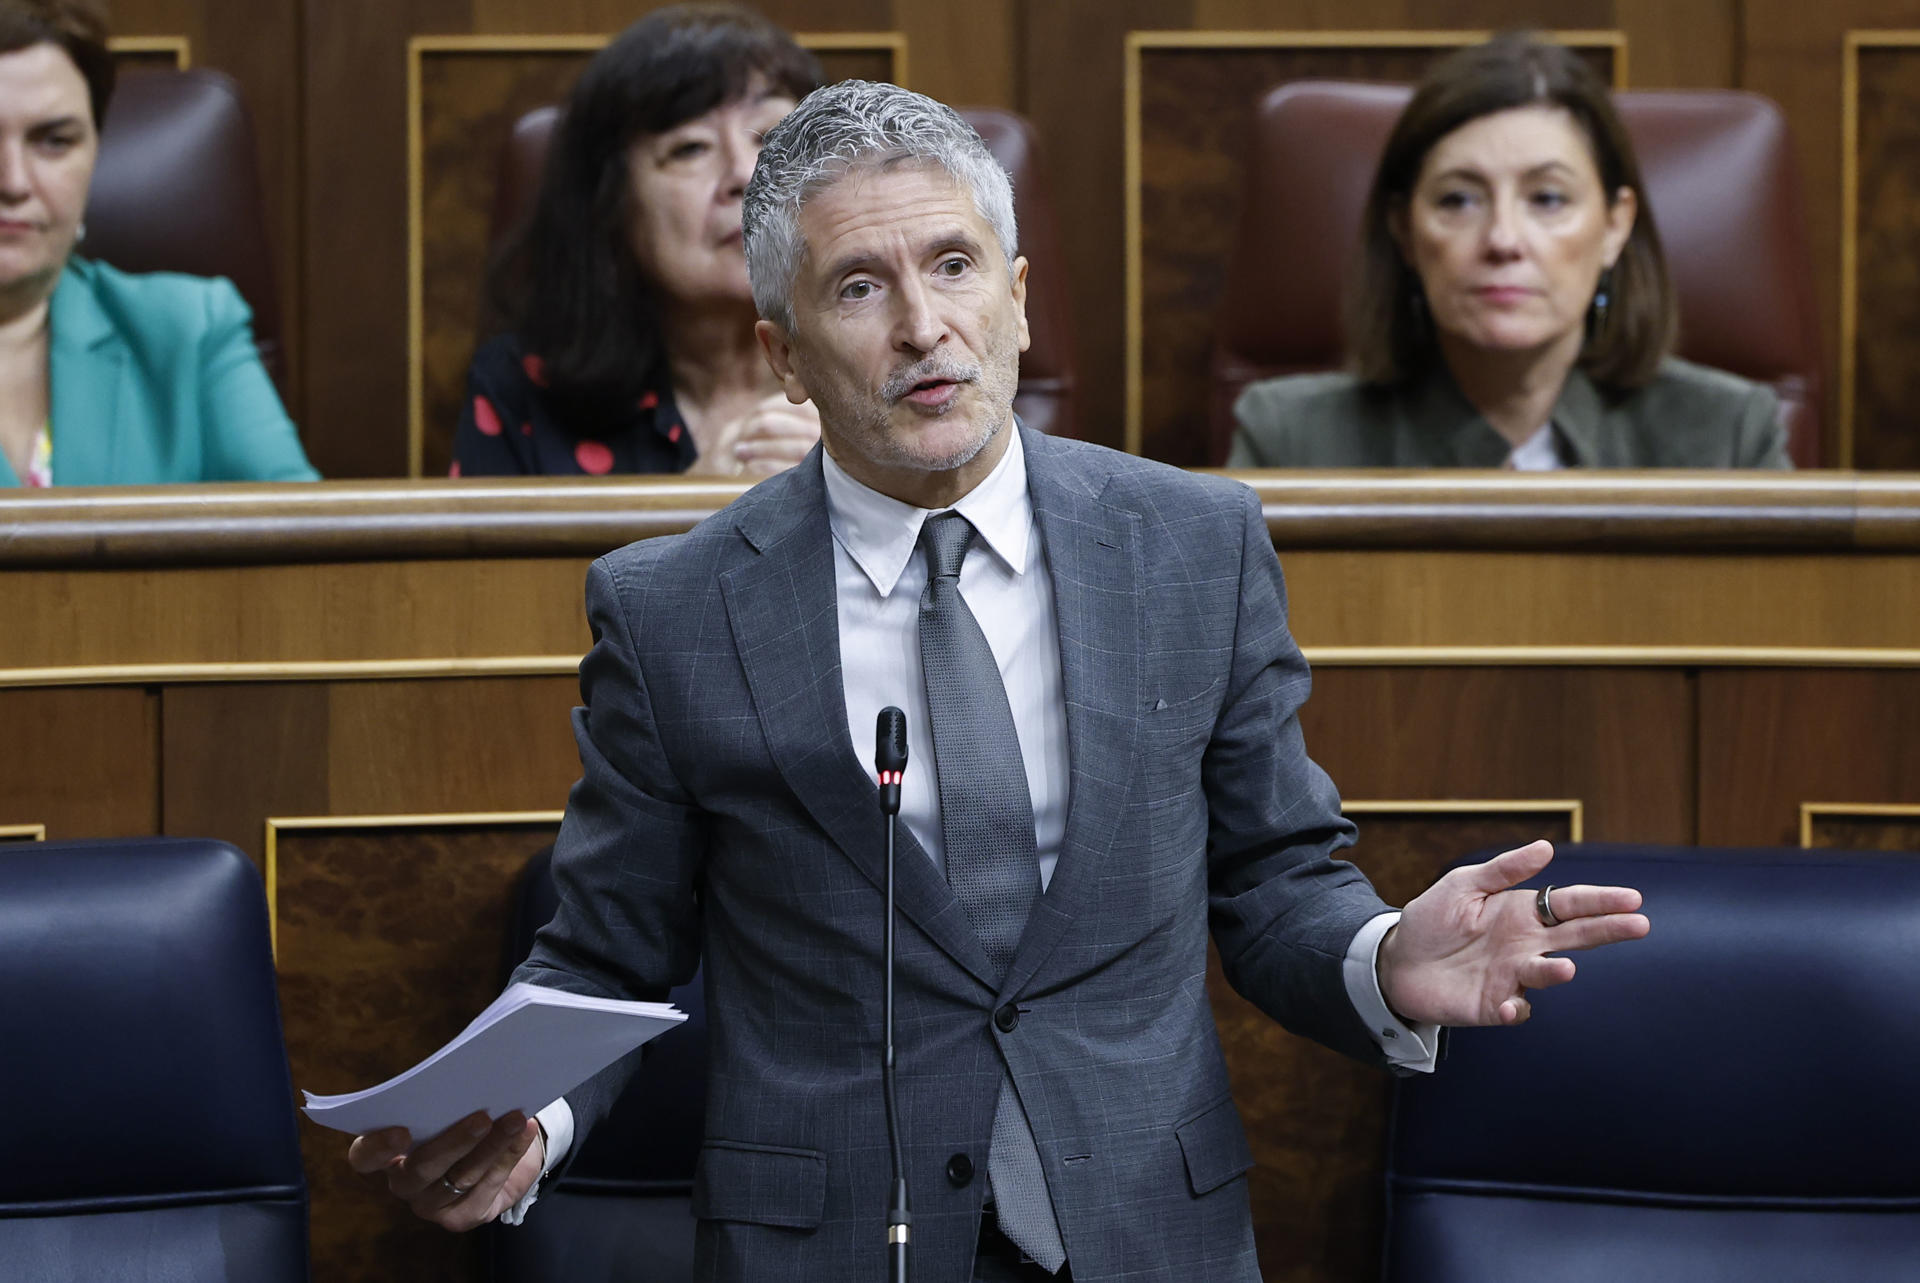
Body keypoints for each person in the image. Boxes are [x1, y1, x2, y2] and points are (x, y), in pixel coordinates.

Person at [351, 82, 1649, 1280]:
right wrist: (534, 1116)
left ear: (1019, 296)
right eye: (859, 287)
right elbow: (608, 948)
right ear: (785, 350)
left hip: (1147, 1225)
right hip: (831, 1241)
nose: (925, 326)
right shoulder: (677, 605)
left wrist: (1377, 955)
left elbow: (1273, 876)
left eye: (955, 266)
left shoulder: (1194, 543)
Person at [1229, 33, 1790, 471]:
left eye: (1546, 198)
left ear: (1615, 226)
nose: (1502, 240)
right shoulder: (1290, 437)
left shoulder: (1730, 435)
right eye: (1459, 199)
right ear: (1404, 230)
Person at [452, 4, 823, 479]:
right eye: (689, 148)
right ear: (611, 204)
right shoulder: (521, 392)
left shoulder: (899, 353)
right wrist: (689, 516)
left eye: (772, 135)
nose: (745, 174)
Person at [0, 0, 316, 487]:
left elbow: (310, 552)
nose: (14, 181)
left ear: (95, 153)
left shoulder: (191, 331)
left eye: (54, 141)